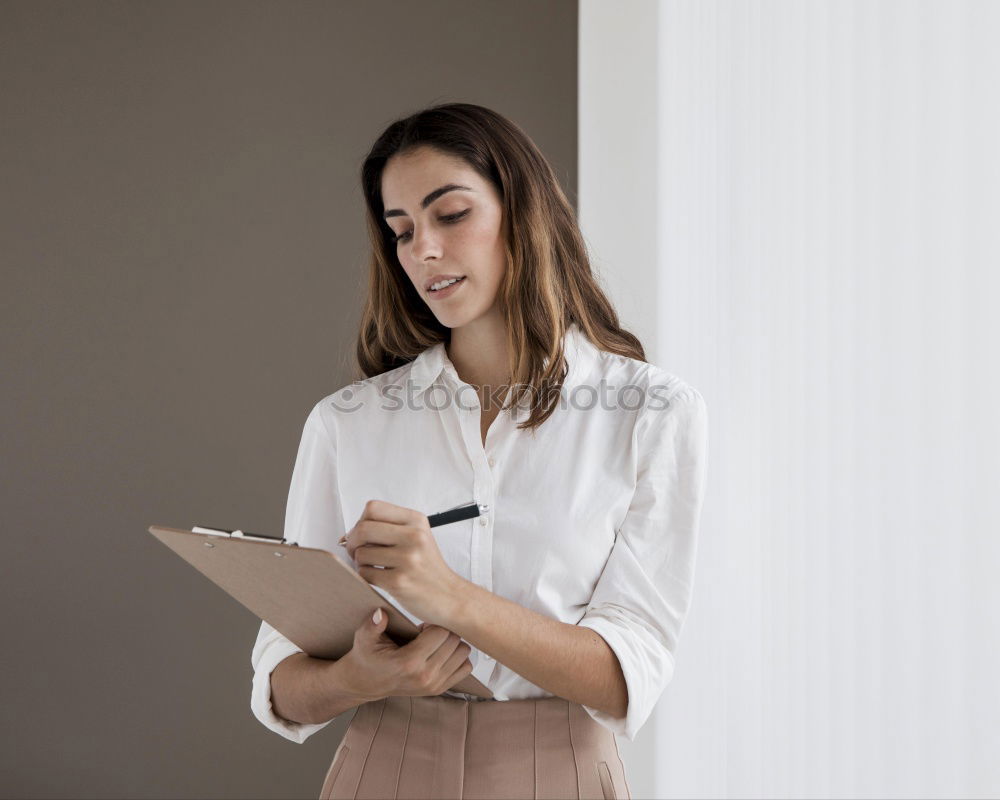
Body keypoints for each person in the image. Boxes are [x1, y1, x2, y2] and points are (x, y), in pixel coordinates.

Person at [249, 102, 709, 800]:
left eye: (450, 215)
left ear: (521, 214)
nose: (422, 249)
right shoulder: (348, 423)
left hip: (562, 768)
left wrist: (449, 598)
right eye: (400, 231)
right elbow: (281, 683)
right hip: (384, 761)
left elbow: (627, 677)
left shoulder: (650, 412)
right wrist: (359, 678)